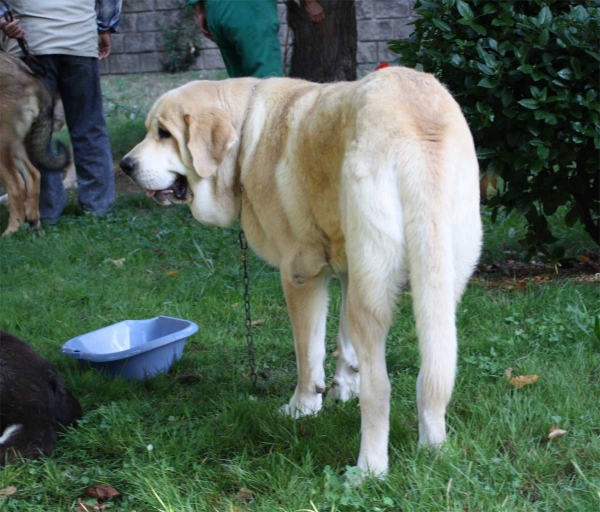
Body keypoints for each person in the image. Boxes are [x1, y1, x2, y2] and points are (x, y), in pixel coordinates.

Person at [0, 1, 122, 224]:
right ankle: (99, 206)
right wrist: (105, 27)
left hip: (30, 41)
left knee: (36, 132)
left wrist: (2, 20)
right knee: (89, 124)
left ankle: (46, 210)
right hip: (79, 39)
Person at [189, 0, 324, 79]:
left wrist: (199, 8)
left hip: (215, 9)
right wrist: (310, 2)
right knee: (269, 87)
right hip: (251, 10)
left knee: (239, 89)